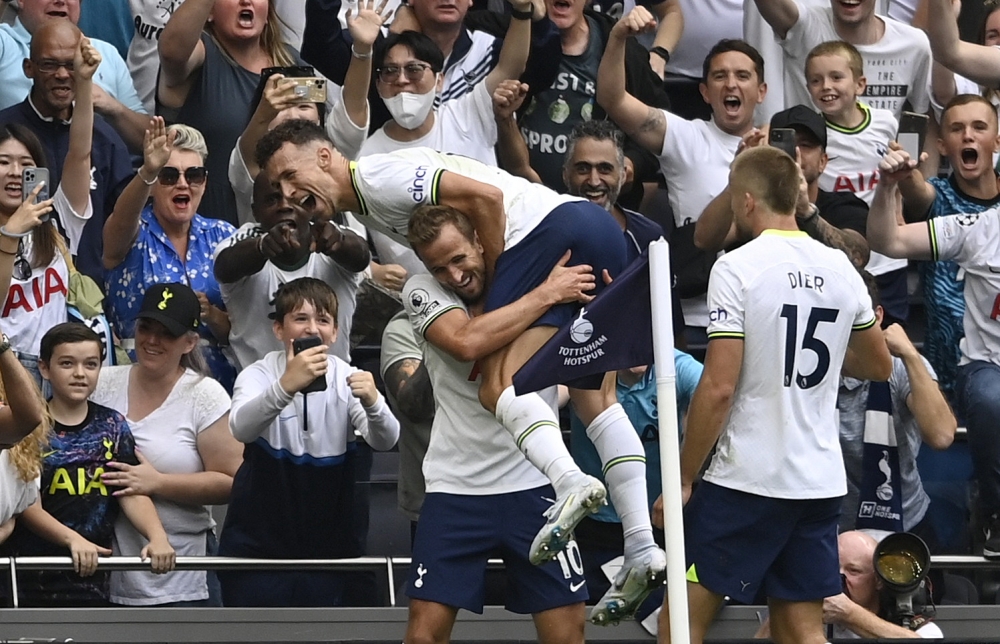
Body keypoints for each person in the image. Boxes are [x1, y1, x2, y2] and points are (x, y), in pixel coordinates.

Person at [258, 121, 667, 616]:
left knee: (499, 386)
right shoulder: (370, 202)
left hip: (548, 233)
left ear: (324, 157)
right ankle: (642, 547)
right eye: (275, 185)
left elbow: (488, 200)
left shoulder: (377, 177)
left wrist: (498, 297)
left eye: (288, 173)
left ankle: (568, 482)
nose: (285, 191)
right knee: (595, 400)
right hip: (597, 232)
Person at [666, 145, 891, 644]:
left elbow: (720, 387)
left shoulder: (737, 266)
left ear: (746, 202)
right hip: (817, 482)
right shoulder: (840, 267)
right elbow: (879, 364)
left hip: (748, 481)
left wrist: (682, 477)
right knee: (801, 630)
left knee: (678, 624)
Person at [401, 205, 594, 638]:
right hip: (457, 486)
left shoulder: (529, 273)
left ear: (479, 242)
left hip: (534, 481)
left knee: (568, 631)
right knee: (422, 634)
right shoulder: (420, 290)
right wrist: (547, 294)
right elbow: (466, 342)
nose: (453, 276)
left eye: (459, 259)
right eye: (439, 268)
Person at [219, 277, 399, 606]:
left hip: (331, 546)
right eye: (300, 319)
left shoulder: (346, 377)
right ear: (279, 329)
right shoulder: (258, 375)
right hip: (259, 545)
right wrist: (286, 386)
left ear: (334, 332)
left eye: (322, 320)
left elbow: (386, 439)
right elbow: (241, 429)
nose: (311, 328)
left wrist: (374, 402)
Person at [597, 8, 765, 335]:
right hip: (696, 317)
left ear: (761, 91)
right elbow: (612, 99)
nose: (731, 84)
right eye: (720, 76)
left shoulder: (777, 148)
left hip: (761, 316)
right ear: (704, 91)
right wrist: (617, 37)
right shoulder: (685, 136)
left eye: (743, 76)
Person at [868, 144, 1000, 559]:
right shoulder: (979, 227)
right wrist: (887, 188)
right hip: (987, 368)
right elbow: (888, 240)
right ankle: (994, 512)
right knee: (991, 400)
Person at [91, 282, 243, 606]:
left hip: (185, 567)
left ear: (190, 342)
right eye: (146, 327)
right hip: (106, 566)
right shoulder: (102, 383)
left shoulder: (205, 395)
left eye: (167, 333)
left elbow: (232, 481)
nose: (153, 340)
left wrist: (158, 482)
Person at [6, 323, 176, 607]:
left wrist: (158, 536)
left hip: (94, 577)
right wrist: (72, 540)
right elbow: (25, 505)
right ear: (44, 368)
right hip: (30, 576)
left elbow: (128, 489)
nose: (79, 373)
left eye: (91, 364)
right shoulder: (29, 426)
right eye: (67, 364)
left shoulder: (112, 425)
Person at [102, 119, 237, 392]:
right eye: (169, 175)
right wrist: (148, 170)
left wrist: (211, 314)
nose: (183, 184)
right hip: (142, 383)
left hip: (216, 385)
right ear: (153, 184)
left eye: (194, 175)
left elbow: (245, 328)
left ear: (205, 182)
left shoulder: (224, 235)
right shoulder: (134, 232)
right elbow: (120, 220)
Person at [230, 0, 387, 226]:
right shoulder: (255, 162)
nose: (294, 115)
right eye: (281, 107)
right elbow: (249, 149)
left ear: (320, 118)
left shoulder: (332, 149)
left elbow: (354, 101)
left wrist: (362, 50)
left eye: (304, 106)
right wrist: (264, 110)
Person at [0, 19, 131, 284]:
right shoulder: (4, 132)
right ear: (29, 68)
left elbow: (123, 222)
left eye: (71, 64)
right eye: (49, 64)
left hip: (84, 296)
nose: (62, 74)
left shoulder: (105, 140)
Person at [0, 31, 95, 389]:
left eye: (25, 164)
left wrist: (83, 82)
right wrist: (10, 235)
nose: (14, 172)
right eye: (3, 162)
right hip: (4, 376)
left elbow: (80, 152)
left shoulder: (57, 222)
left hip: (56, 374)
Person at [892, 94, 1000, 400]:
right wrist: (904, 174)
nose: (968, 135)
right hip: (949, 375)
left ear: (997, 141)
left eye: (979, 127)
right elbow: (916, 190)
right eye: (957, 128)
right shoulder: (936, 196)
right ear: (941, 145)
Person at [157, 0, 304, 223]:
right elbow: (172, 52)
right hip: (210, 225)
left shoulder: (290, 61)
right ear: (209, 12)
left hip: (282, 225)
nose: (246, 1)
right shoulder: (201, 54)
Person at [213, 173, 369, 370]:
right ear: (256, 211)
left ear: (311, 206)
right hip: (262, 388)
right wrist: (261, 247)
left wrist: (339, 242)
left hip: (331, 387)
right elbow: (224, 268)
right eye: (272, 200)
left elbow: (361, 257)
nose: (284, 206)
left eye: (296, 199)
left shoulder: (330, 234)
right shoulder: (241, 242)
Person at [516, 0, 671, 195]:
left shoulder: (618, 44)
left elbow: (659, 127)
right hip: (523, 200)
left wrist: (632, 163)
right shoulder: (511, 34)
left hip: (598, 203)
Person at [837, 283, 956, 537]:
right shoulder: (807, 368)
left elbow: (942, 435)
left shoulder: (900, 366)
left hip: (903, 522)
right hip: (828, 529)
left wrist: (911, 354)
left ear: (877, 316)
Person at [805, 40, 909, 326]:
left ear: (860, 83)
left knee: (892, 332)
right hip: (840, 257)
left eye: (836, 77)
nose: (826, 86)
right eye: (816, 80)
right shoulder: (811, 134)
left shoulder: (886, 121)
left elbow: (900, 170)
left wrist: (899, 210)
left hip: (887, 256)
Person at [694, 104, 871, 270]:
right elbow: (705, 241)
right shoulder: (752, 206)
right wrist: (737, 177)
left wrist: (807, 213)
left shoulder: (843, 205)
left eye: (806, 145)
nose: (795, 152)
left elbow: (858, 256)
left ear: (823, 162)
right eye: (787, 143)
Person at [0, 0, 149, 151]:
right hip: (16, 165)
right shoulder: (4, 43)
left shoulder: (107, 53)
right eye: (48, 64)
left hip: (100, 169)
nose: (60, 1)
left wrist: (114, 108)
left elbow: (150, 141)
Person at [751, 0, 932, 122]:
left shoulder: (913, 44)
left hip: (880, 175)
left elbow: (924, 121)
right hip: (812, 174)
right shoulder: (806, 27)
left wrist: (921, 178)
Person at [828, 531, 943, 638]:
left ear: (878, 580)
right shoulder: (815, 620)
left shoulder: (922, 630)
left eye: (853, 571)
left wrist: (848, 614)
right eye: (833, 568)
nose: (839, 578)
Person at [379, 311, 433, 535]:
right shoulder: (407, 325)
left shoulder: (523, 313)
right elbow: (414, 405)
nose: (456, 275)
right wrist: (448, 339)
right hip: (436, 501)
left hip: (524, 493)